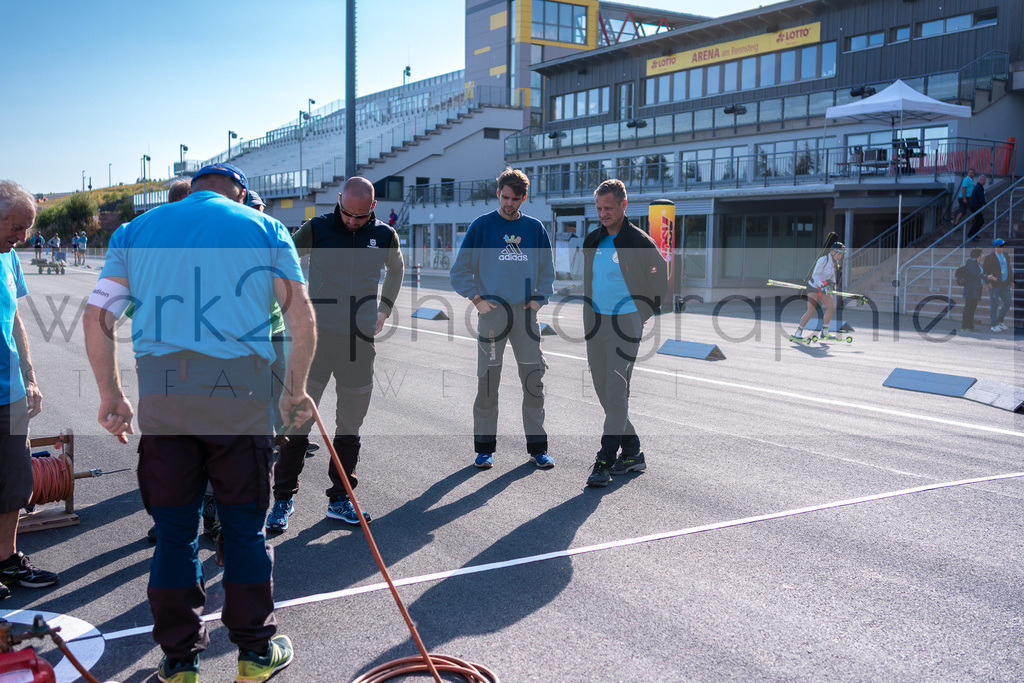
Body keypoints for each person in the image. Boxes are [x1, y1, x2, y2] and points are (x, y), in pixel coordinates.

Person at [83, 163, 315, 682]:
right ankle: (255, 652)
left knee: (174, 533)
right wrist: (295, 391)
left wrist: (111, 394)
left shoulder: (136, 230)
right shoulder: (263, 227)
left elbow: (97, 316)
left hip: (165, 389)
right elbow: (301, 317)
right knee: (245, 529)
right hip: (240, 389)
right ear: (238, 192)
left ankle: (180, 659)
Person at [265, 176, 404, 533]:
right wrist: (292, 303)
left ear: (372, 208)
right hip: (316, 338)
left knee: (349, 425)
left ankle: (340, 498)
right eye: (347, 213)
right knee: (299, 419)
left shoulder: (385, 236)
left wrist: (384, 308)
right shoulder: (318, 228)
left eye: (359, 217)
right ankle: (282, 499)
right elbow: (284, 261)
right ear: (339, 200)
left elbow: (397, 269)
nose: (352, 222)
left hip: (358, 341)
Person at [450, 168, 555, 470]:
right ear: (498, 194)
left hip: (525, 316)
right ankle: (484, 449)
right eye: (505, 197)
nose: (509, 203)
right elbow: (459, 271)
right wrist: (478, 300)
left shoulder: (535, 229)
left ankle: (538, 448)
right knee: (488, 383)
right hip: (492, 316)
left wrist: (537, 301)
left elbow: (548, 270)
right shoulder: (482, 226)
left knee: (533, 382)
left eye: (515, 199)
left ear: (524, 197)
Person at [582, 179, 667, 487]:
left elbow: (659, 286)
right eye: (599, 208)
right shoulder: (593, 240)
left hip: (625, 324)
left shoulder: (640, 242)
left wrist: (640, 315)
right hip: (595, 322)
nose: (603, 214)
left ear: (623, 205)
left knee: (616, 392)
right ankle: (632, 451)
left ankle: (604, 460)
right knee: (604, 393)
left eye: (608, 208)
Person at [0, 181, 58, 601]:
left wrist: (31, 376)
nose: (23, 237)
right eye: (17, 227)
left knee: (14, 484)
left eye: (26, 228)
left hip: (9, 391)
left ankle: (6, 559)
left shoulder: (10, 259)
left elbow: (17, 320)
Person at [791, 242, 847, 342]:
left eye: (842, 254)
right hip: (813, 287)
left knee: (831, 307)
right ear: (833, 251)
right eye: (839, 253)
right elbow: (815, 275)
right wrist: (822, 286)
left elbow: (831, 276)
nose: (840, 256)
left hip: (823, 287)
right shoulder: (823, 259)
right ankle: (798, 333)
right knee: (811, 310)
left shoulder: (834, 262)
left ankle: (825, 332)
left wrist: (833, 286)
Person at [983, 238, 1014, 332]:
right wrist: (987, 282)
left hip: (1004, 284)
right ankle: (993, 324)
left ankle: (1000, 321)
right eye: (1001, 245)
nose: (1003, 247)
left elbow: (1009, 268)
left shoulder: (1006, 255)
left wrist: (1012, 281)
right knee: (994, 304)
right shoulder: (989, 257)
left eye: (1004, 245)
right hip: (994, 285)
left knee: (1008, 302)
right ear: (996, 247)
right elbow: (984, 272)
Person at [960, 248, 985, 332]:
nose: (982, 255)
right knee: (969, 308)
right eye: (981, 254)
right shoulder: (971, 263)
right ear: (978, 255)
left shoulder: (975, 263)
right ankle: (965, 326)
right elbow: (976, 275)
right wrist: (987, 277)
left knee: (972, 308)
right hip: (971, 290)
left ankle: (970, 326)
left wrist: (981, 285)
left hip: (974, 289)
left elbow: (975, 277)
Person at [968, 174, 987, 239]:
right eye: (982, 180)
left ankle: (973, 235)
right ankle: (971, 235)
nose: (984, 181)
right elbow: (981, 197)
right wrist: (985, 204)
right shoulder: (979, 187)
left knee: (979, 221)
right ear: (979, 180)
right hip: (974, 206)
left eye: (984, 180)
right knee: (980, 221)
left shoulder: (979, 187)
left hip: (975, 206)